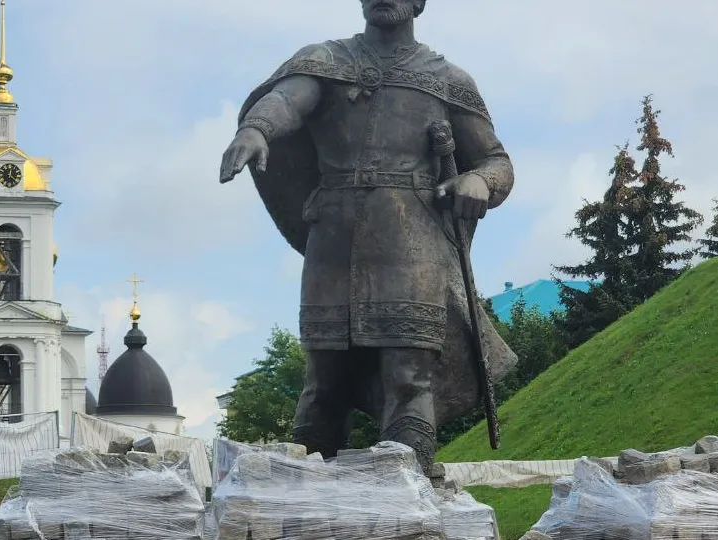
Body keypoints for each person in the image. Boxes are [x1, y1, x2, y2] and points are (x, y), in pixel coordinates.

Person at [219, 0, 517, 473]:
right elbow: (288, 100)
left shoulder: (448, 79)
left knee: (408, 377)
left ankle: (410, 490)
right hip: (333, 242)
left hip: (413, 242)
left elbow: (496, 161)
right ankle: (309, 495)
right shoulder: (328, 60)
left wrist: (479, 182)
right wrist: (258, 128)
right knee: (322, 382)